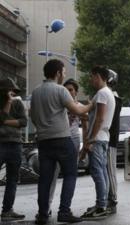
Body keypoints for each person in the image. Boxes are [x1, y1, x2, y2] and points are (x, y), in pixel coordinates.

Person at [30, 59, 92, 224]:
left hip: (43, 141)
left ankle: (43, 215)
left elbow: (32, 117)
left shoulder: (35, 92)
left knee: (45, 179)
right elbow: (78, 110)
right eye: (63, 72)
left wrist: (43, 128)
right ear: (57, 73)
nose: (64, 74)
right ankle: (64, 212)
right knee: (71, 174)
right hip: (62, 140)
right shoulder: (60, 90)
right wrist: (90, 105)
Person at [46, 78, 88, 213]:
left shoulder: (79, 106)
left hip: (74, 141)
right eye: (66, 89)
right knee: (53, 173)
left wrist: (85, 145)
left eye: (71, 89)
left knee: (70, 174)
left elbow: (86, 125)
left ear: (76, 92)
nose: (68, 92)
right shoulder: (60, 104)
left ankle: (65, 206)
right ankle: (47, 205)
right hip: (58, 138)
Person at [80, 66, 115, 220]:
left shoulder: (101, 94)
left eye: (91, 76)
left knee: (97, 172)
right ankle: (103, 204)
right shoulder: (107, 93)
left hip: (98, 138)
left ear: (99, 76)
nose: (90, 79)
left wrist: (90, 139)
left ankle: (101, 206)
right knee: (102, 171)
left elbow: (99, 118)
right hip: (103, 137)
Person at [0, 78, 27, 222]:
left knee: (12, 179)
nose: (11, 93)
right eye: (8, 90)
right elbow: (3, 116)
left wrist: (4, 122)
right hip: (1, 143)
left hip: (15, 143)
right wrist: (8, 103)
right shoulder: (9, 102)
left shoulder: (18, 103)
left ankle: (7, 210)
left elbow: (23, 122)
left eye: (13, 91)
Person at [105, 69, 121, 214]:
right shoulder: (112, 97)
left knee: (110, 170)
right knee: (108, 170)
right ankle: (108, 198)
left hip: (109, 140)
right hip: (107, 139)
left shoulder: (113, 98)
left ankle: (113, 199)